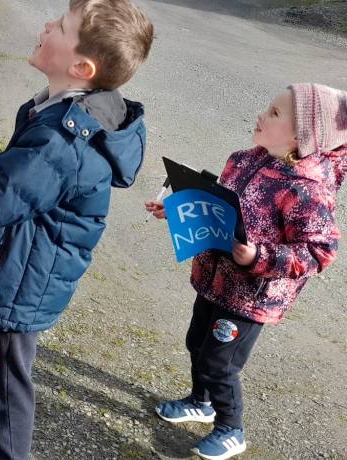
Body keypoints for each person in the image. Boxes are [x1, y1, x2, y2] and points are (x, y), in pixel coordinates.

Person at [0, 1, 154, 458]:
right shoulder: (61, 111)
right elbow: (12, 170)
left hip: (23, 280)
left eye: (61, 26)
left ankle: (6, 449)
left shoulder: (64, 140)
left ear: (81, 67)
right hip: (20, 260)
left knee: (3, 381)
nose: (47, 24)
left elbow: (2, 194)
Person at [145, 83, 345, 460]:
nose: (261, 115)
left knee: (219, 363)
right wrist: (178, 210)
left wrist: (259, 257)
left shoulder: (307, 190)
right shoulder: (242, 160)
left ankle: (230, 428)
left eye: (274, 113)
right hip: (214, 279)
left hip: (251, 297)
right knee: (196, 343)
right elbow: (221, 210)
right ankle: (200, 402)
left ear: (302, 137)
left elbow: (319, 250)